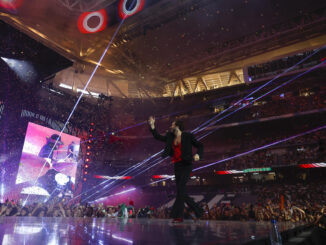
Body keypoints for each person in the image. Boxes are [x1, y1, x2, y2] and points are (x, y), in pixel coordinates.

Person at [148, 116, 204, 223]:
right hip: (177, 166)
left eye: (172, 124)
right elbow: (157, 137)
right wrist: (152, 126)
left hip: (186, 165)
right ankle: (199, 211)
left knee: (181, 188)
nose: (170, 126)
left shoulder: (188, 136)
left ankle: (178, 216)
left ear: (177, 126)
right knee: (181, 191)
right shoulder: (170, 136)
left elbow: (200, 145)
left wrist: (198, 155)